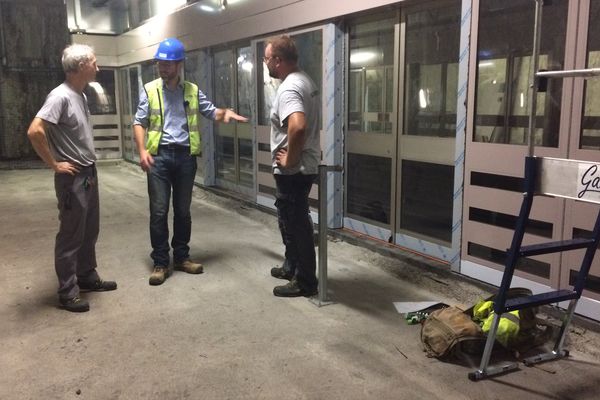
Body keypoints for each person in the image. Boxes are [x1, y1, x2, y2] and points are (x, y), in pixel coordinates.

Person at [133, 38, 248, 286]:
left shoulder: (192, 91)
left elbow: (210, 111)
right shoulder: (150, 89)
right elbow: (139, 122)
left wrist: (224, 113)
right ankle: (161, 262)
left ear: (179, 64)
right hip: (159, 158)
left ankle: (182, 257)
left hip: (185, 157)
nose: (163, 68)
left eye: (168, 64)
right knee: (159, 211)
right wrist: (142, 150)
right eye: (161, 63)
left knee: (183, 212)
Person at [27, 44, 117, 313]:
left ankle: (87, 277)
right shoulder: (60, 97)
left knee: (89, 230)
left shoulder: (80, 95)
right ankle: (68, 292)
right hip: (73, 177)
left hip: (88, 172)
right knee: (70, 235)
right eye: (94, 62)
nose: (97, 66)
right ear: (80, 67)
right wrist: (54, 164)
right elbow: (35, 131)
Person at [265, 35, 320, 297]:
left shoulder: (289, 88)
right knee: (289, 219)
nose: (265, 63)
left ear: (278, 60)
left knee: (297, 224)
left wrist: (290, 159)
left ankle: (306, 281)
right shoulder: (305, 79)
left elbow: (298, 126)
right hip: (301, 167)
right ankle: (292, 266)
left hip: (294, 170)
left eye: (266, 58)